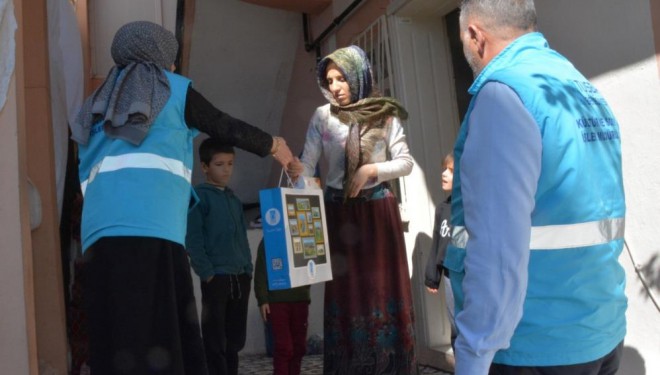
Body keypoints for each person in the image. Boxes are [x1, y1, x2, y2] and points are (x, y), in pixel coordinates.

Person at [72, 21, 294, 375]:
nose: (173, 67)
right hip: (153, 229)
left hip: (99, 237)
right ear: (158, 56)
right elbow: (222, 124)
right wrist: (273, 145)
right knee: (166, 329)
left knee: (116, 333)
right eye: (170, 59)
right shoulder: (170, 89)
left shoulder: (96, 105)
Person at [444, 1, 627, 374]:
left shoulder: (502, 96)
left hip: (530, 345)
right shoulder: (580, 87)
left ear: (475, 35)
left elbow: (496, 250)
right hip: (600, 331)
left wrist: (474, 354)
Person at [289, 45, 417, 375]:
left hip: (377, 214)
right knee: (346, 293)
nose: (335, 87)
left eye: (342, 78)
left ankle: (389, 367)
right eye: (329, 80)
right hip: (338, 213)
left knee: (380, 289)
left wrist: (371, 171)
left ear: (358, 76)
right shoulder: (322, 116)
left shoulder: (385, 114)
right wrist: (295, 170)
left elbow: (405, 163)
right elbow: (308, 163)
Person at [186, 140, 254, 375]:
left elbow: (242, 237)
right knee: (215, 341)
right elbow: (193, 239)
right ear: (205, 167)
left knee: (235, 341)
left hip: (240, 278)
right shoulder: (198, 197)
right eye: (219, 164)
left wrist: (248, 269)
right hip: (217, 279)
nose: (226, 169)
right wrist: (207, 273)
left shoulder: (234, 199)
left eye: (230, 164)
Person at [254, 239, 311, 375]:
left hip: (300, 299)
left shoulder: (303, 237)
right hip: (277, 301)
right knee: (284, 347)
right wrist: (263, 299)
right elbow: (260, 271)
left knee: (299, 348)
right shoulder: (270, 237)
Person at [423, 153, 456, 347]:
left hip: (471, 274)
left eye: (451, 171)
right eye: (444, 169)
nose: (444, 174)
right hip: (450, 276)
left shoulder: (471, 207)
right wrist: (432, 276)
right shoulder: (442, 209)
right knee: (455, 324)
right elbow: (437, 242)